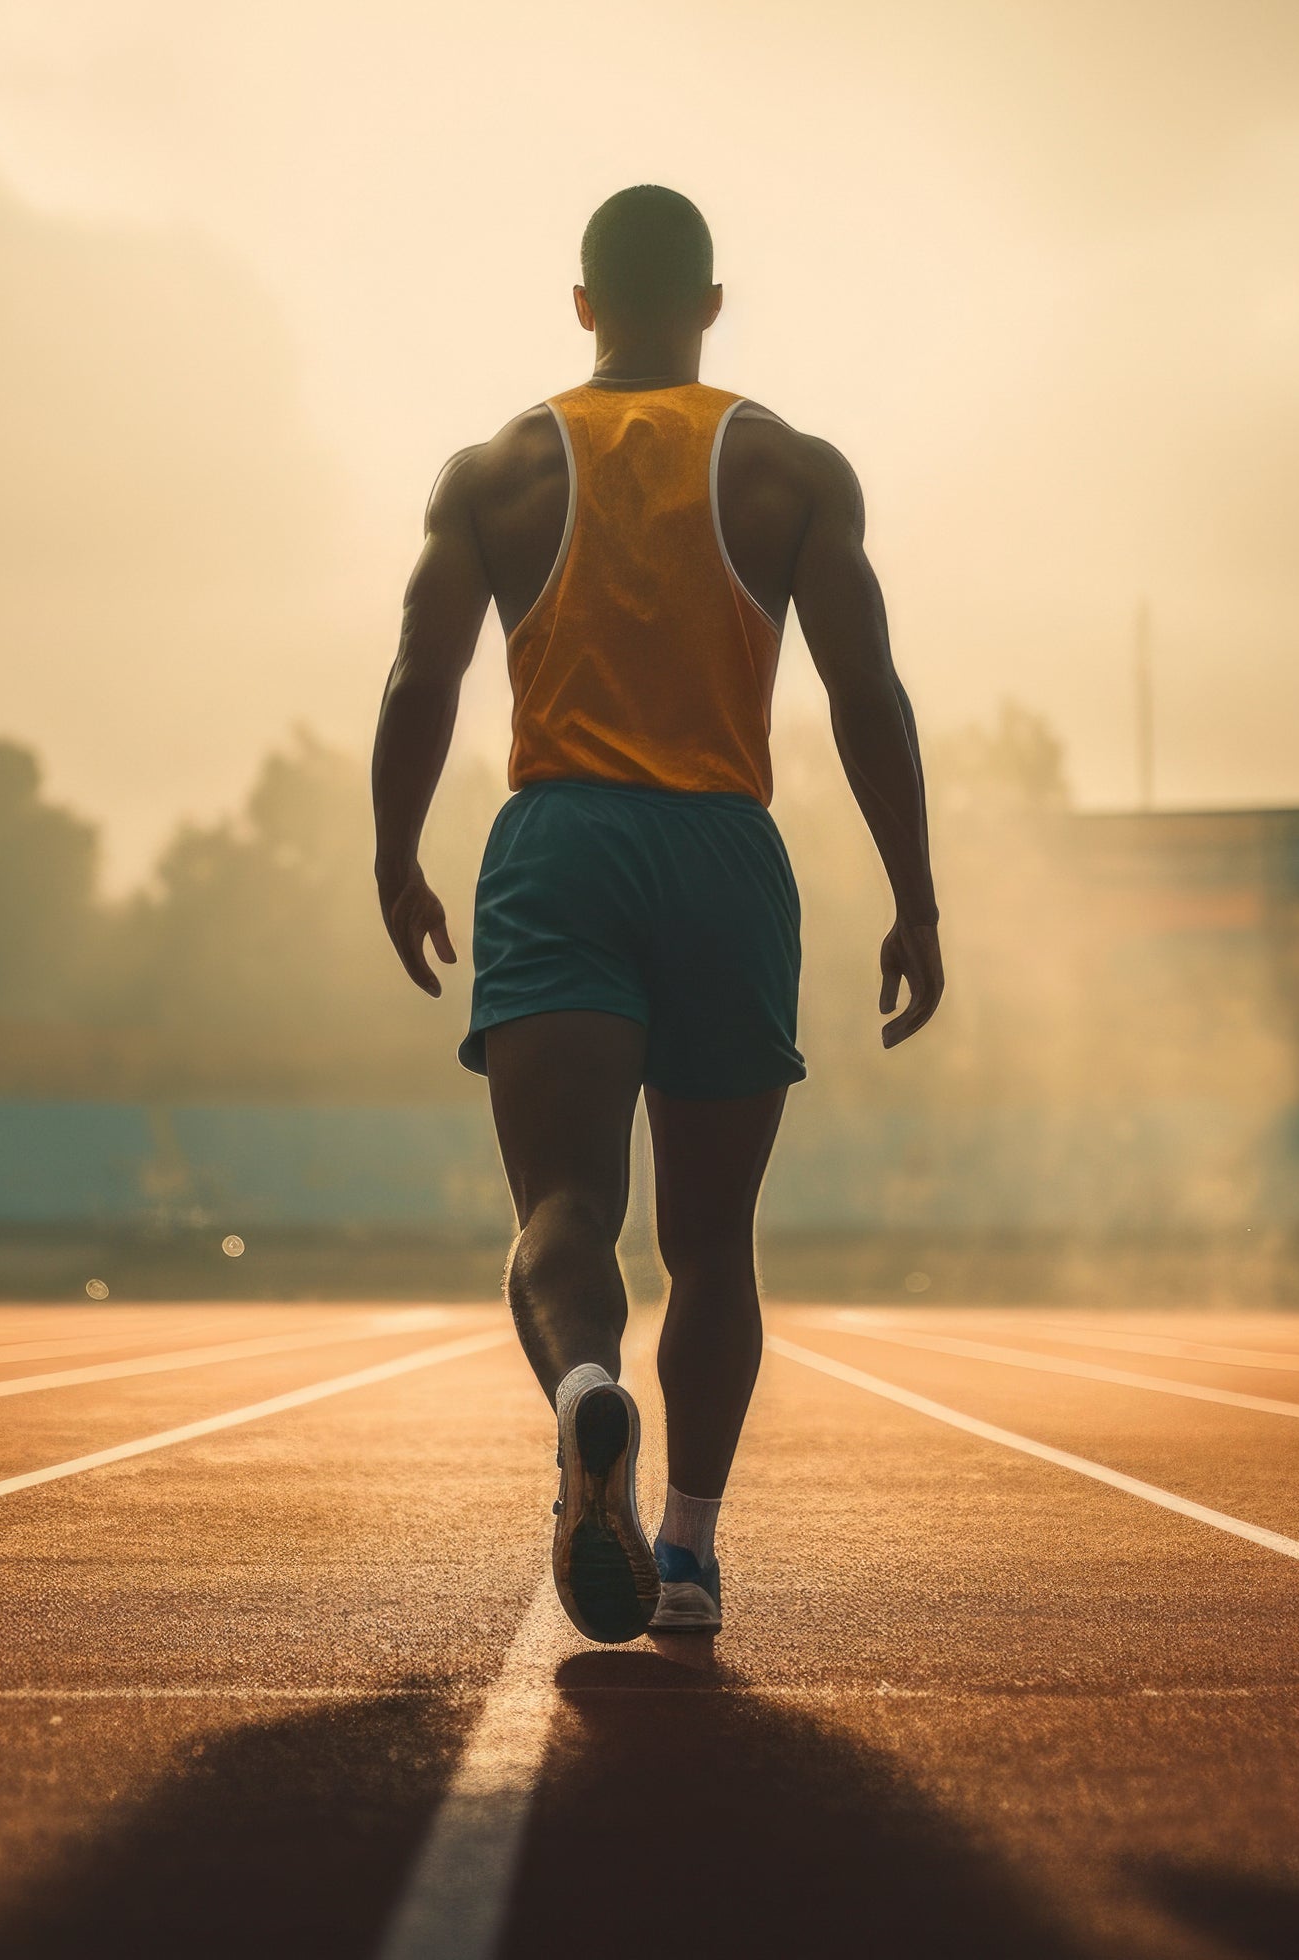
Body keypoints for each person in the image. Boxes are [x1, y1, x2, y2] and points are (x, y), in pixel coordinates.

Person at [369, 182, 944, 1645]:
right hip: (724, 859)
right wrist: (914, 895)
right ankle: (686, 1551)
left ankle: (579, 1394)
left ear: (580, 305)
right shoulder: (789, 470)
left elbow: (418, 682)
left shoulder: (495, 470)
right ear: (708, 304)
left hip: (559, 844)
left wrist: (394, 853)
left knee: (564, 1212)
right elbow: (864, 690)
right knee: (713, 1242)